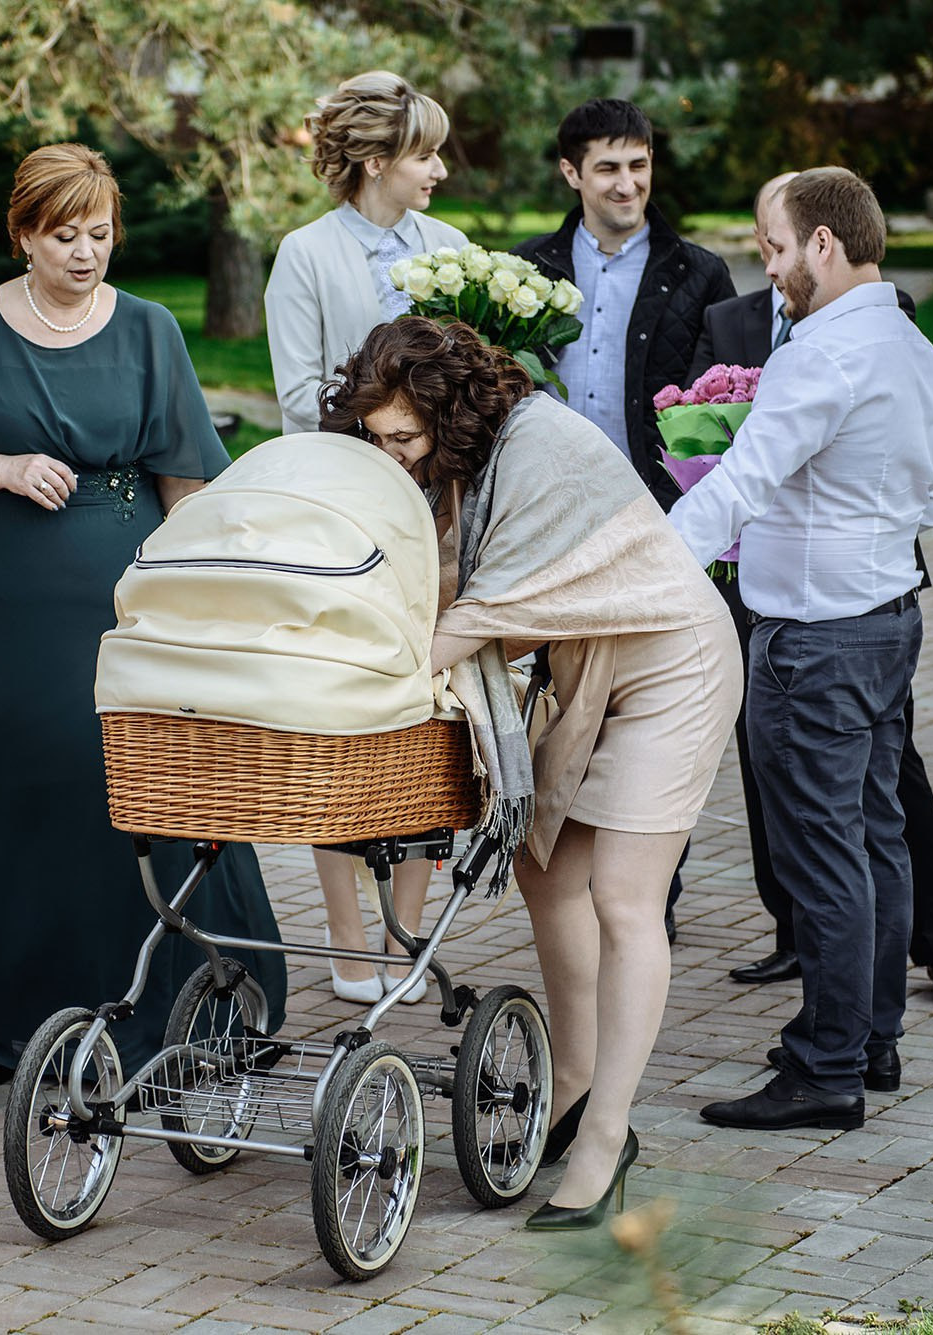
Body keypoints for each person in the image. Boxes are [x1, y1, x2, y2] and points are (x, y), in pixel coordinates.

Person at [322, 317, 741, 1229]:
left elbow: (474, 620)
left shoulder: (541, 442)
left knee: (627, 897)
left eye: (401, 437)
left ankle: (607, 1137)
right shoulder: (463, 461)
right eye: (376, 439)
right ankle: (576, 1082)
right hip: (586, 660)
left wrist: (358, 682)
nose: (389, 456)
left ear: (447, 409)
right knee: (545, 870)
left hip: (673, 658)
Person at [0, 143, 287, 1080]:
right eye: (65, 234)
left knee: (129, 773)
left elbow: (188, 481)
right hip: (3, 597)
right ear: (23, 235)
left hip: (126, 594)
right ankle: (14, 1012)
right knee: (20, 780)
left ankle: (169, 1002)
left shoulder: (151, 328)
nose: (86, 252)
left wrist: (195, 603)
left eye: (101, 234)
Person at [671, 167, 933, 1131]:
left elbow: (741, 482)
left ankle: (826, 1065)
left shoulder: (820, 353)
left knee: (824, 852)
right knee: (876, 835)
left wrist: (646, 563)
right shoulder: (921, 354)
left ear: (823, 244)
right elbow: (929, 505)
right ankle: (871, 1035)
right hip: (887, 619)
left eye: (777, 247)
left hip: (813, 641)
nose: (771, 267)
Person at [263, 69, 466, 1003]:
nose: (440, 169)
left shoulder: (455, 249)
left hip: (441, 520)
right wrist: (382, 432)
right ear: (377, 161)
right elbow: (298, 396)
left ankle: (407, 933)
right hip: (343, 521)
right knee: (342, 718)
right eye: (424, 154)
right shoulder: (304, 256)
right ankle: (349, 941)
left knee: (431, 715)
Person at [512, 97, 736, 941]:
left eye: (639, 165)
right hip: (554, 516)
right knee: (565, 701)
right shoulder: (525, 269)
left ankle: (645, 901)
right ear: (572, 173)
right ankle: (563, 876)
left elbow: (717, 408)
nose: (627, 183)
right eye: (607, 167)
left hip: (656, 525)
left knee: (645, 702)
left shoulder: (698, 271)